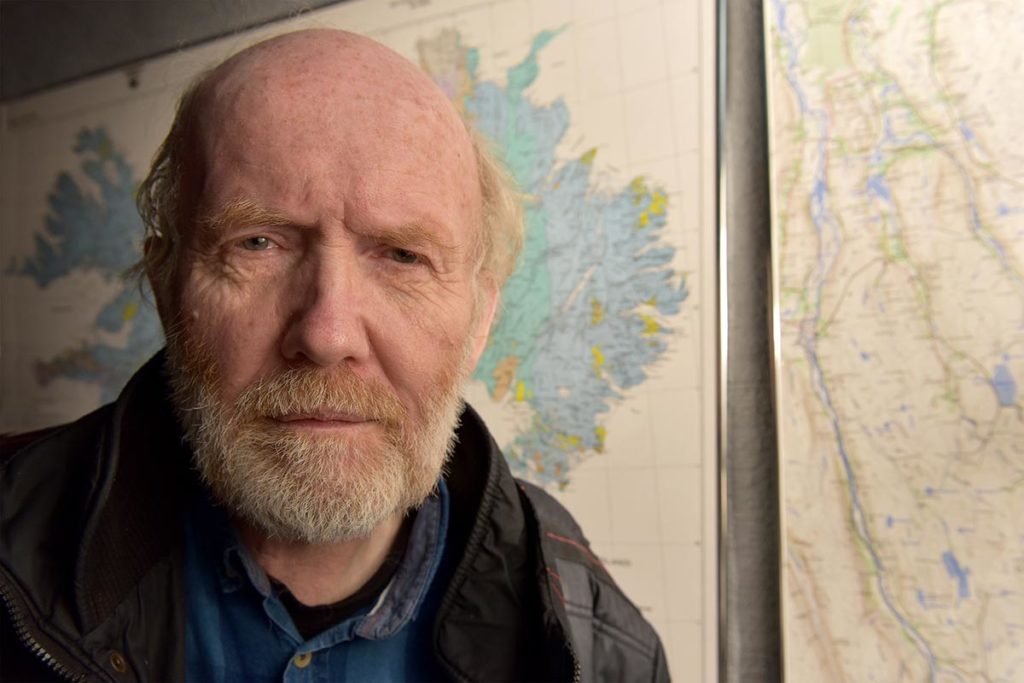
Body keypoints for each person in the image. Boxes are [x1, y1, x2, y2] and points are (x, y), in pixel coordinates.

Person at [0, 29, 668, 682]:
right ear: (166, 288)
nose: (327, 335)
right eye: (257, 243)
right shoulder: (13, 552)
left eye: (403, 256)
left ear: (481, 319)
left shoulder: (594, 640)